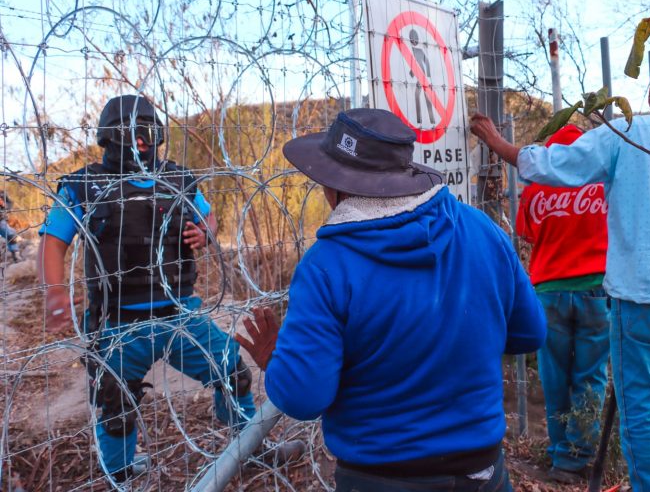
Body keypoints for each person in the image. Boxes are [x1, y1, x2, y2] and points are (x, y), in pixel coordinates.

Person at [235, 108, 547, 492]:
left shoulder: (327, 266)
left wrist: (276, 361)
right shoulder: (481, 229)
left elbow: (304, 397)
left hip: (380, 476)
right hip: (484, 471)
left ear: (335, 187)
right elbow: (530, 333)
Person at [470, 61, 650, 492]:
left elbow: (554, 166)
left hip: (640, 295)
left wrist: (498, 143)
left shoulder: (628, 134)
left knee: (637, 410)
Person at [37, 95, 265, 483]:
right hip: (119, 324)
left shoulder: (177, 179)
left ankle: (248, 448)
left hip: (182, 314)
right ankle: (120, 474)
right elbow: (53, 240)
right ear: (108, 138)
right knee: (114, 402)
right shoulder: (83, 186)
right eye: (130, 134)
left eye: (146, 134)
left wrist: (204, 233)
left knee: (231, 371)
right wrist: (55, 290)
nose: (140, 142)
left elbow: (208, 217)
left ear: (157, 134)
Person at [516, 124, 610, 483]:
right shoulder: (601, 180)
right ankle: (578, 455)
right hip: (596, 288)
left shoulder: (537, 186)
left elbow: (526, 233)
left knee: (554, 376)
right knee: (591, 375)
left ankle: (559, 456)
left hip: (549, 290)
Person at [0, 190, 20, 262]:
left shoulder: (2, 193)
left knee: (11, 235)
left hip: (1, 221)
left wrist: (4, 204)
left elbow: (10, 204)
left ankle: (16, 255)